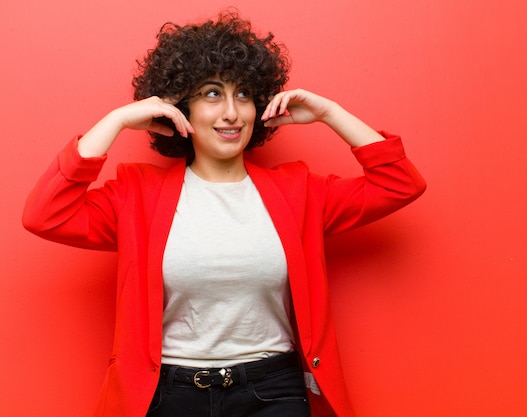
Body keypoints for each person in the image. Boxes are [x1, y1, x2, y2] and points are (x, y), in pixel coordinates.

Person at [22, 10, 426, 417]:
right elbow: (45, 214)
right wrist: (116, 121)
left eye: (244, 94)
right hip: (168, 395)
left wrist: (330, 114)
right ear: (180, 107)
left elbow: (400, 183)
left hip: (273, 392)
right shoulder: (137, 196)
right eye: (213, 93)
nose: (232, 112)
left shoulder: (299, 192)